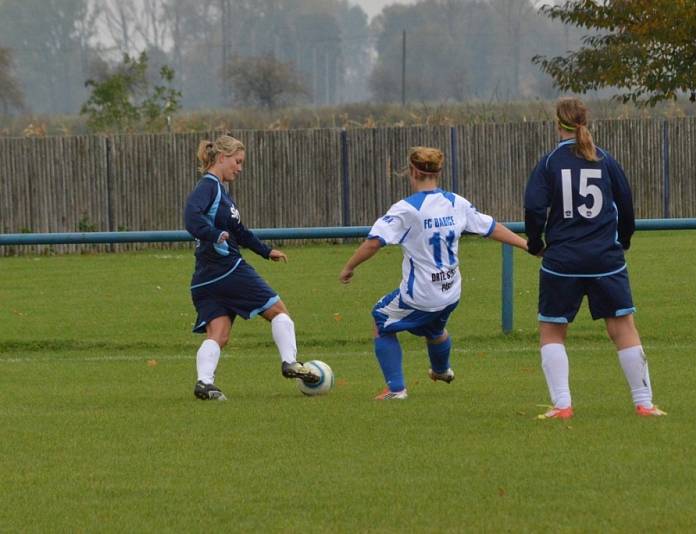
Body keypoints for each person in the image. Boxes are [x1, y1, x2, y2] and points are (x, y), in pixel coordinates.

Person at [339, 146, 529, 399]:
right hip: (451, 292)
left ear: (413, 172)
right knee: (435, 331)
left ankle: (396, 390)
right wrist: (527, 245)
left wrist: (349, 267)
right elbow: (491, 227)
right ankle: (441, 371)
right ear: (438, 172)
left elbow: (375, 242)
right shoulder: (456, 202)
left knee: (380, 320)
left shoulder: (406, 208)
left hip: (421, 294)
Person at [524, 97, 666, 418]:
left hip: (562, 261)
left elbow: (534, 207)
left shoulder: (549, 163)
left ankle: (563, 406)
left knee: (552, 330)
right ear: (584, 123)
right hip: (606, 259)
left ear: (557, 124)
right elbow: (626, 204)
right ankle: (644, 403)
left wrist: (536, 242)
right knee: (623, 328)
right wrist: (623, 240)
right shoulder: (604, 159)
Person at [184, 134, 318, 401]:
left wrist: (266, 251)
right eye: (237, 161)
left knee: (218, 334)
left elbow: (240, 232)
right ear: (222, 157)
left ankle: (204, 384)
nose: (240, 167)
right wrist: (213, 234)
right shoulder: (208, 187)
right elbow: (190, 215)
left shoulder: (222, 193)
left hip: (205, 278)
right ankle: (290, 362)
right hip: (228, 270)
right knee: (278, 310)